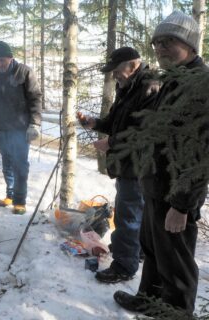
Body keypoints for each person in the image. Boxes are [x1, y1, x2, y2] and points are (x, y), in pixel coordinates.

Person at [113, 11, 209, 316]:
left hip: (176, 194)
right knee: (153, 250)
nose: (160, 48)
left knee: (176, 261)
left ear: (191, 45)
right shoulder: (173, 80)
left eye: (169, 42)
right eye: (157, 43)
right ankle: (150, 299)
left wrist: (182, 205)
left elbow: (201, 156)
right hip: (155, 185)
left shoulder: (199, 86)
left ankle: (177, 311)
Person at [76, 47, 159, 283]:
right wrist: (94, 123)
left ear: (132, 66)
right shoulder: (128, 87)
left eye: (116, 71)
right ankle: (135, 251)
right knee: (135, 213)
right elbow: (115, 122)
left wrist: (111, 142)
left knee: (128, 215)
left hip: (139, 164)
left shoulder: (150, 87)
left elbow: (146, 132)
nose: (114, 76)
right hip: (127, 164)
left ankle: (124, 266)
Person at [0, 41, 42, 215]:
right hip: (1, 129)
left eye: (2, 60)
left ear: (11, 58)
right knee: (7, 163)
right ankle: (9, 195)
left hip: (20, 129)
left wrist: (35, 123)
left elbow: (36, 98)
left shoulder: (24, 72)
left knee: (20, 164)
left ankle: (20, 200)